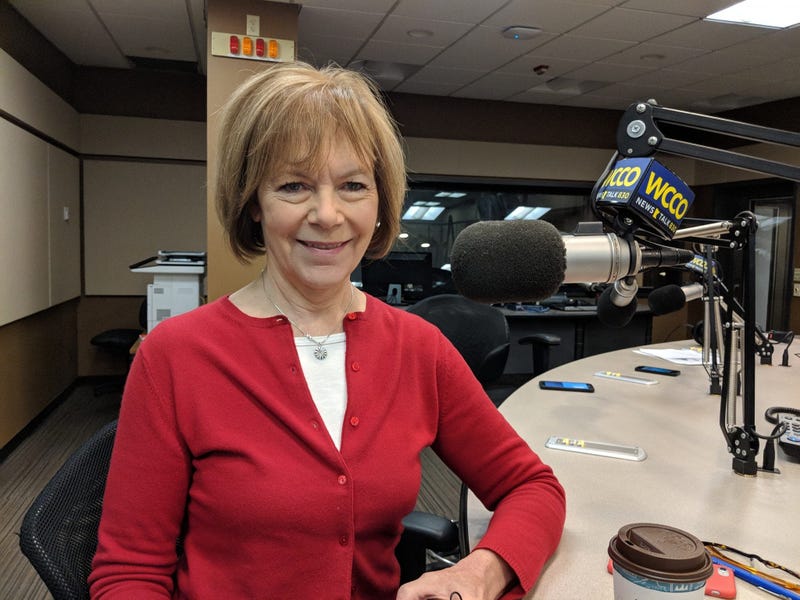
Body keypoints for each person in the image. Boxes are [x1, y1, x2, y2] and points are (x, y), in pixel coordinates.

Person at [89, 61, 565, 600]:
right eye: (294, 185)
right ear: (253, 203)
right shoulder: (175, 356)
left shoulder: (418, 347)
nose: (328, 214)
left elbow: (533, 487)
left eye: (353, 185)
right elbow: (128, 572)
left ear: (380, 203)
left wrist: (479, 571)